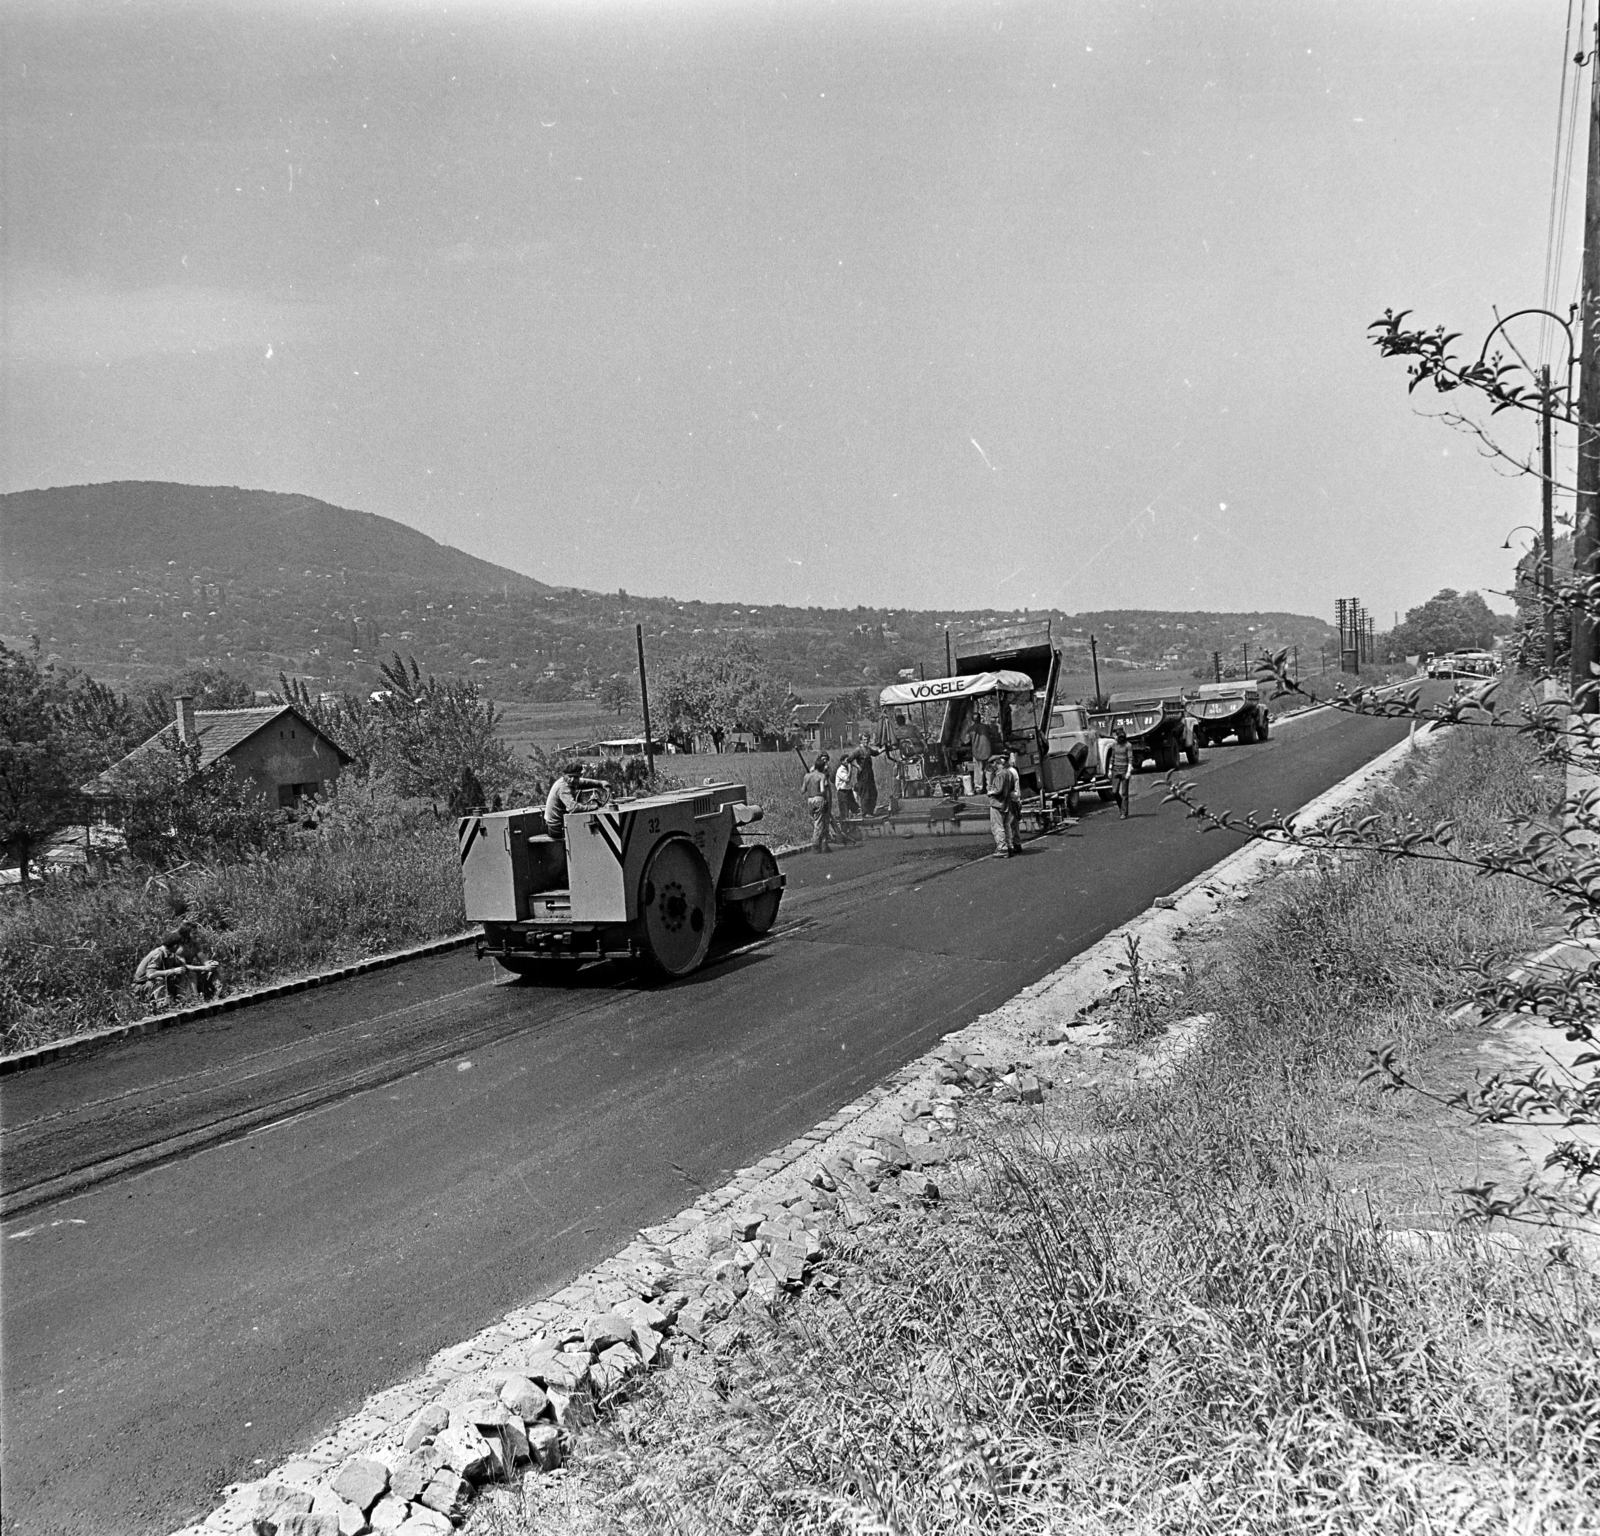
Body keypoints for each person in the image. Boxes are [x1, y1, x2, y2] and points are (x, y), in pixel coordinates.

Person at [543, 761, 607, 843]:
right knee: (587, 834)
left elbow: (584, 782)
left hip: (560, 823)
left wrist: (600, 783)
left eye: (576, 777)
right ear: (564, 775)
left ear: (580, 776)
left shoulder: (569, 782)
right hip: (556, 827)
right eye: (570, 776)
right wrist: (592, 807)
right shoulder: (563, 787)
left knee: (590, 829)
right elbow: (573, 808)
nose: (573, 780)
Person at [134, 932, 188, 1010]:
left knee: (179, 976)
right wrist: (173, 971)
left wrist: (181, 961)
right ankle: (162, 1005)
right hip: (142, 986)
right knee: (159, 979)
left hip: (153, 984)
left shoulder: (170, 954)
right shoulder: (158, 953)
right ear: (175, 945)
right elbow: (151, 974)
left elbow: (181, 966)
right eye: (179, 945)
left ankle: (181, 1000)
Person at [174, 921, 220, 1000]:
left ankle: (219, 993)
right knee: (192, 974)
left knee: (214, 971)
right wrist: (204, 968)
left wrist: (211, 964)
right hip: (177, 972)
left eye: (197, 933)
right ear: (186, 934)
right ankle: (194, 998)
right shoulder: (180, 948)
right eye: (194, 933)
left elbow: (203, 960)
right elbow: (184, 967)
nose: (196, 935)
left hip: (192, 969)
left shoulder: (195, 944)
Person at [986, 752, 1018, 858]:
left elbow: (998, 790)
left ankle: (1002, 848)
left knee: (997, 827)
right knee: (1006, 826)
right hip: (1007, 803)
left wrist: (990, 792)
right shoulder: (1009, 773)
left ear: (996, 762)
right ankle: (1010, 846)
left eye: (992, 764)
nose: (992, 767)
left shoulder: (1000, 774)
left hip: (997, 803)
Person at [803, 754, 833, 853]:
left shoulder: (807, 776)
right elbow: (823, 790)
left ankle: (824, 845)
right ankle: (815, 844)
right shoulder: (822, 776)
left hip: (810, 800)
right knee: (819, 823)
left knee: (818, 822)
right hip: (819, 799)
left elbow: (803, 790)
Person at [834, 752, 861, 845]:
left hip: (848, 791)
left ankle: (854, 829)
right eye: (846, 760)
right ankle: (844, 834)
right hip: (842, 792)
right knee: (844, 812)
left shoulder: (846, 768)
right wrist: (850, 768)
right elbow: (847, 779)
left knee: (855, 808)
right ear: (842, 761)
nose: (848, 762)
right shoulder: (841, 770)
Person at [1108, 727, 1136, 819]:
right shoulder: (1114, 745)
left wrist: (1128, 772)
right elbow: (1112, 758)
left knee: (1124, 793)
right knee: (1114, 792)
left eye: (1122, 737)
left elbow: (1130, 759)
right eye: (1119, 737)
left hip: (1124, 771)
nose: (1121, 739)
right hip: (1115, 770)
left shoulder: (1128, 746)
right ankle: (1122, 807)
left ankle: (1123, 812)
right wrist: (1110, 769)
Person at [1003, 749, 1025, 853]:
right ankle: (1017, 844)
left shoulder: (1009, 772)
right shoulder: (1013, 770)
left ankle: (1011, 845)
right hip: (1016, 799)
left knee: (1009, 824)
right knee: (1014, 824)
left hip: (1012, 800)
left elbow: (1007, 789)